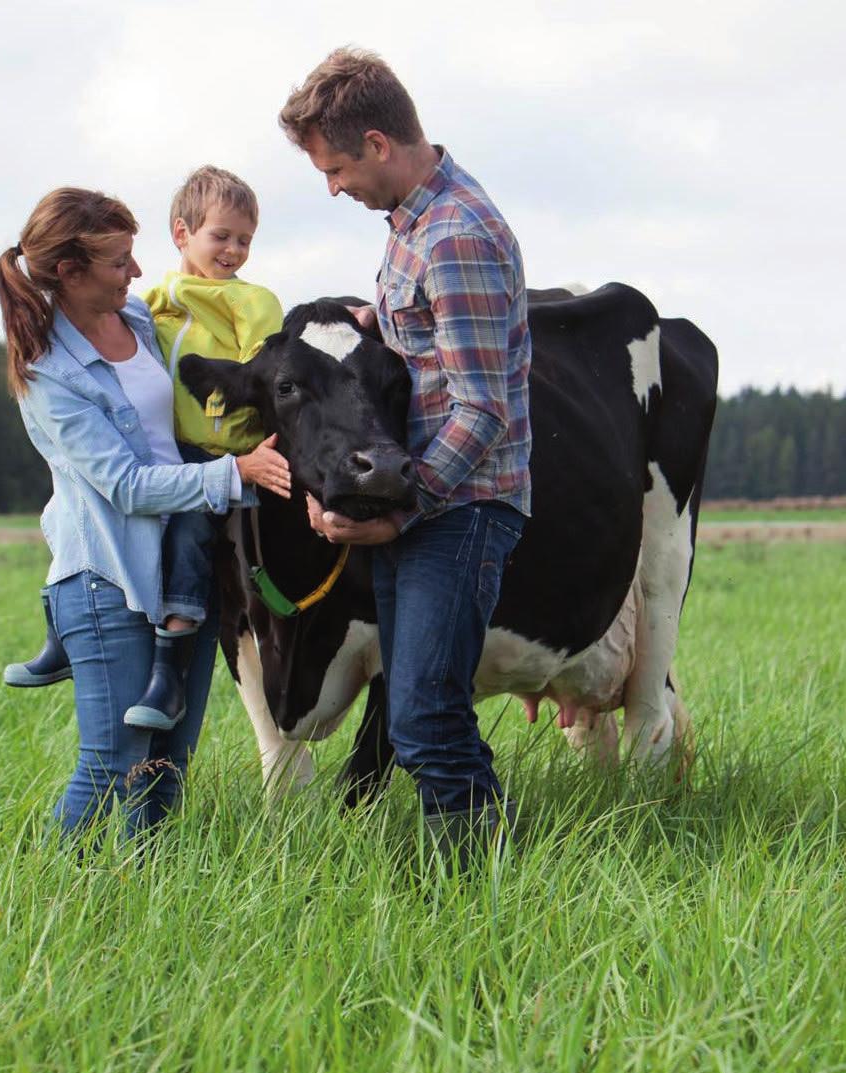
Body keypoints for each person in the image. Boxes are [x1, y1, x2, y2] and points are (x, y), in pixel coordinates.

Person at [279, 48, 532, 865]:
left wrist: (402, 507)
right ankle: (480, 873)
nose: (333, 187)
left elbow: (481, 407)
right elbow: (430, 351)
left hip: (454, 508)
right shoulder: (409, 227)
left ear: (380, 143)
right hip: (418, 506)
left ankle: (480, 882)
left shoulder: (454, 236)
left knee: (423, 714)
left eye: (337, 167)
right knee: (418, 708)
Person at [0, 187, 290, 839]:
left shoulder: (135, 317)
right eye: (119, 261)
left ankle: (140, 902)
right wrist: (232, 472)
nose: (136, 271)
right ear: (70, 273)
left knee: (165, 766)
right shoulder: (49, 374)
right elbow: (125, 485)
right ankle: (47, 897)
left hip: (184, 569)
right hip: (110, 581)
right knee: (110, 764)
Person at [128, 166, 283, 730]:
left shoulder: (251, 301)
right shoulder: (151, 304)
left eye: (245, 239)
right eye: (221, 235)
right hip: (166, 455)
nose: (234, 250)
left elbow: (261, 372)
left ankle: (170, 666)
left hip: (229, 457)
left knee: (193, 537)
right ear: (181, 232)